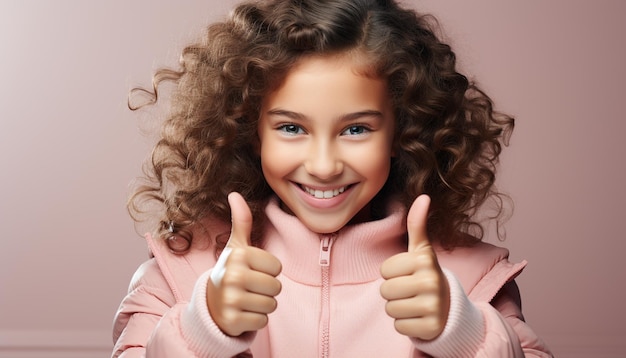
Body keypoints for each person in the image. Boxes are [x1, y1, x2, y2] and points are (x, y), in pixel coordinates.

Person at [112, 0, 553, 356]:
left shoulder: (471, 280)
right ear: (251, 130)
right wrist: (201, 329)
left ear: (403, 132)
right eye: (291, 128)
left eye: (356, 129)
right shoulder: (183, 268)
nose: (324, 165)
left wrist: (465, 334)